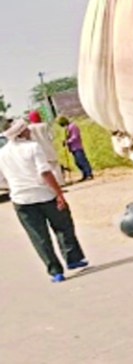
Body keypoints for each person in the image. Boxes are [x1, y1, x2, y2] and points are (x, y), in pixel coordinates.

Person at [0, 120, 88, 282]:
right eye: (25, 129)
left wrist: (16, 186)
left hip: (21, 200)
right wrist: (59, 193)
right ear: (21, 132)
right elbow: (45, 173)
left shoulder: (2, 153)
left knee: (39, 237)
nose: (29, 131)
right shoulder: (33, 147)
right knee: (63, 226)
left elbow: (2, 180)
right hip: (45, 195)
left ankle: (55, 272)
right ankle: (73, 259)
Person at [28, 110, 65, 185]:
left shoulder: (30, 128)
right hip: (49, 148)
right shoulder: (45, 125)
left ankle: (48, 184)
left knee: (43, 168)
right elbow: (51, 136)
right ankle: (60, 183)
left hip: (37, 150)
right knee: (55, 167)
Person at [58, 116, 93, 181]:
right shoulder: (67, 128)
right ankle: (84, 174)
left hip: (77, 147)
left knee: (82, 161)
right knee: (78, 162)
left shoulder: (73, 126)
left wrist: (67, 141)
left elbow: (75, 137)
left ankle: (89, 174)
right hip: (73, 148)